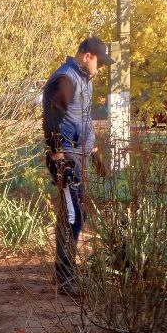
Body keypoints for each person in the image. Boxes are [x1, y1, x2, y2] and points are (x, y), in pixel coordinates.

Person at [42, 36, 112, 296]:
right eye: (99, 62)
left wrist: (93, 151)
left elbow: (82, 118)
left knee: (76, 214)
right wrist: (58, 156)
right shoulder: (66, 78)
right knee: (72, 216)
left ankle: (66, 273)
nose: (100, 68)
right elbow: (52, 120)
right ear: (86, 56)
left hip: (78, 153)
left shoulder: (83, 79)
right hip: (66, 156)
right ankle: (65, 278)